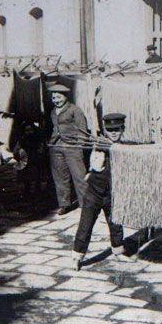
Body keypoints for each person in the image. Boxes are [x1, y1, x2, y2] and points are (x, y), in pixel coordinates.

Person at [71, 112, 134, 269]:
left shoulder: (124, 149)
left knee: (116, 223)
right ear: (105, 130)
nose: (113, 133)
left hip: (112, 194)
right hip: (93, 193)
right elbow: (92, 163)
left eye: (117, 129)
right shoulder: (99, 144)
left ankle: (118, 251)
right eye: (110, 129)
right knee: (85, 224)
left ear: (123, 129)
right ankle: (77, 257)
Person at [47, 84, 88, 215]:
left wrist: (79, 146)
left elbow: (83, 129)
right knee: (60, 177)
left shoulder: (75, 110)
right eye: (54, 98)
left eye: (58, 97)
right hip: (56, 147)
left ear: (65, 96)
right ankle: (64, 204)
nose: (56, 100)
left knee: (79, 176)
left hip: (72, 147)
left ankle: (85, 204)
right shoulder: (53, 111)